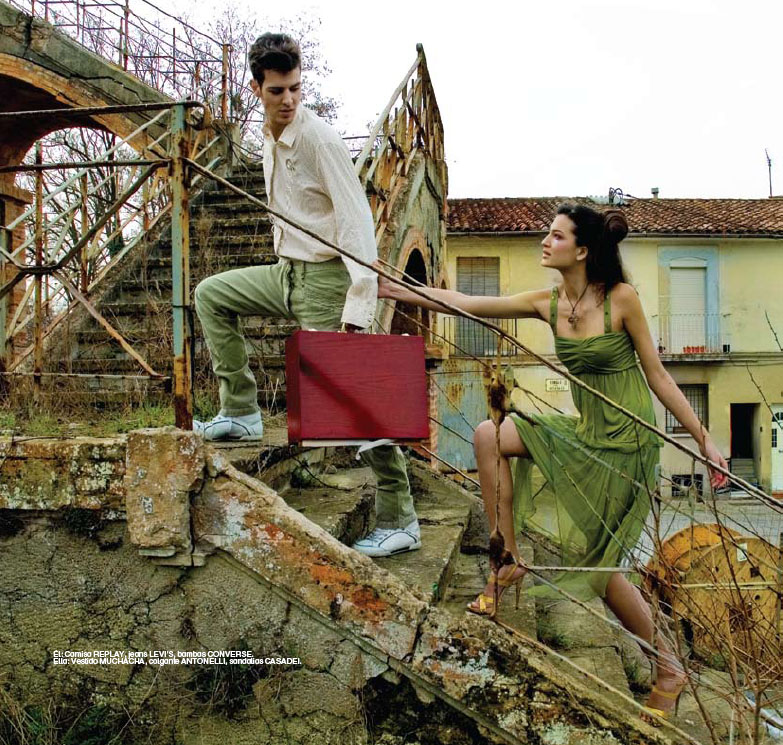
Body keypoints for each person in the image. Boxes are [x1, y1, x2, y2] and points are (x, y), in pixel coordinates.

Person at [377, 203, 729, 722]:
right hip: (586, 432)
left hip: (627, 444)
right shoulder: (548, 303)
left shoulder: (621, 300)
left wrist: (703, 438)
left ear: (582, 250)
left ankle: (670, 668)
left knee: (601, 570)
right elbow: (467, 302)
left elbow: (657, 374)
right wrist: (397, 290)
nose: (546, 241)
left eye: (557, 236)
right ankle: (507, 559)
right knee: (488, 435)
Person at [193, 32, 421, 558]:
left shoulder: (320, 139)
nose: (289, 100)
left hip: (327, 282)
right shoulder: (268, 138)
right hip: (286, 273)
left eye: (296, 88)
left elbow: (357, 225)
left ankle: (401, 518)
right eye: (277, 91)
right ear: (257, 88)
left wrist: (358, 305)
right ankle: (241, 411)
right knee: (211, 295)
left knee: (356, 398)